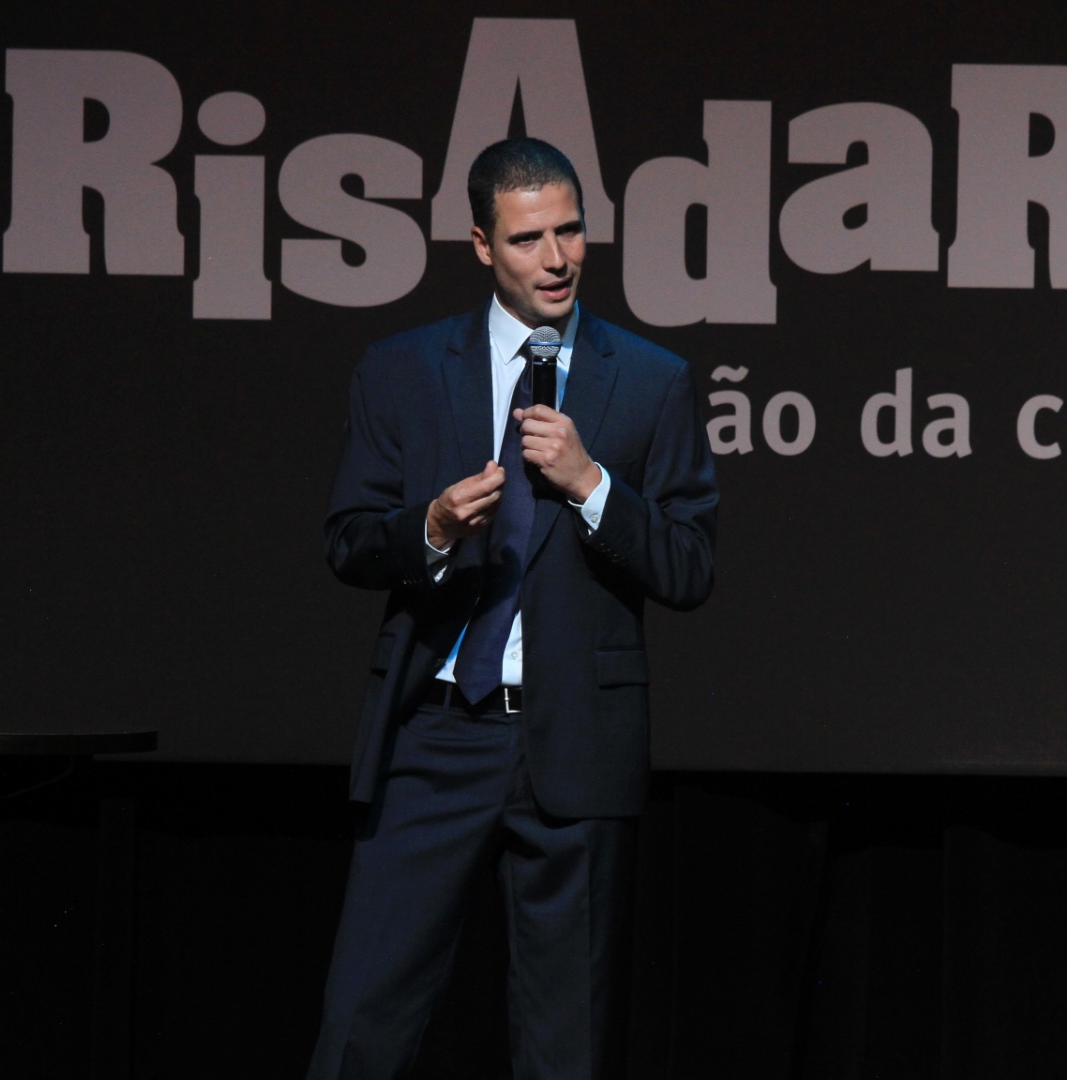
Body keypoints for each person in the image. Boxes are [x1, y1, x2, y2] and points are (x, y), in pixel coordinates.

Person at [308, 138, 719, 1079]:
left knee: (564, 1047)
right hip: (438, 736)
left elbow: (693, 566)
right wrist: (438, 526)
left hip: (573, 744)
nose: (558, 258)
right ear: (483, 245)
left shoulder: (651, 379)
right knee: (361, 1026)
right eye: (529, 238)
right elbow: (348, 541)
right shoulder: (404, 368)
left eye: (571, 230)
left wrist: (592, 485)